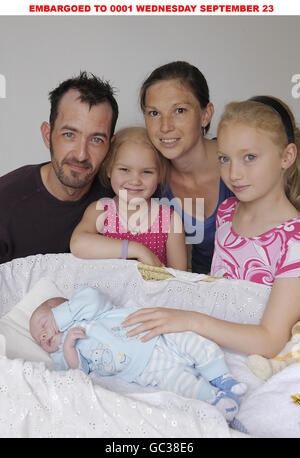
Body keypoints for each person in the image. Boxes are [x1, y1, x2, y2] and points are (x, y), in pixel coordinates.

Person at [122, 96, 300, 360]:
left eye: (249, 157)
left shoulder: (294, 240)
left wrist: (191, 321)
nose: (234, 174)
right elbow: (217, 294)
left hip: (252, 360)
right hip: (208, 348)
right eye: (224, 159)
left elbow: (271, 339)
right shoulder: (227, 212)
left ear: (286, 156)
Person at [29, 285, 247, 422]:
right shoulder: (63, 351)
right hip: (146, 370)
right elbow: (77, 374)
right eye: (38, 338)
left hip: (156, 333)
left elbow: (93, 297)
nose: (42, 336)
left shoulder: (90, 312)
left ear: (60, 310)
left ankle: (221, 376)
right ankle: (214, 398)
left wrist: (60, 320)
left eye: (42, 325)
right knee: (179, 384)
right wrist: (67, 347)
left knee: (193, 342)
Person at [0, 72, 118, 264]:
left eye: (96, 140)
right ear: (48, 135)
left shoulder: (122, 195)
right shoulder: (5, 200)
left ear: (111, 146)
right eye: (69, 134)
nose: (81, 154)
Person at [140, 61, 233, 274]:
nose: (165, 126)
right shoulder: (146, 182)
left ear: (205, 114)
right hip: (188, 300)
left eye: (179, 110)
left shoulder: (239, 164)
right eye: (154, 113)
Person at [70, 127, 187, 270]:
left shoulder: (170, 220)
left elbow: (180, 277)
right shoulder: (100, 210)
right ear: (109, 169)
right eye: (124, 170)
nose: (135, 181)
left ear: (160, 175)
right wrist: (137, 249)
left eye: (147, 172)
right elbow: (78, 244)